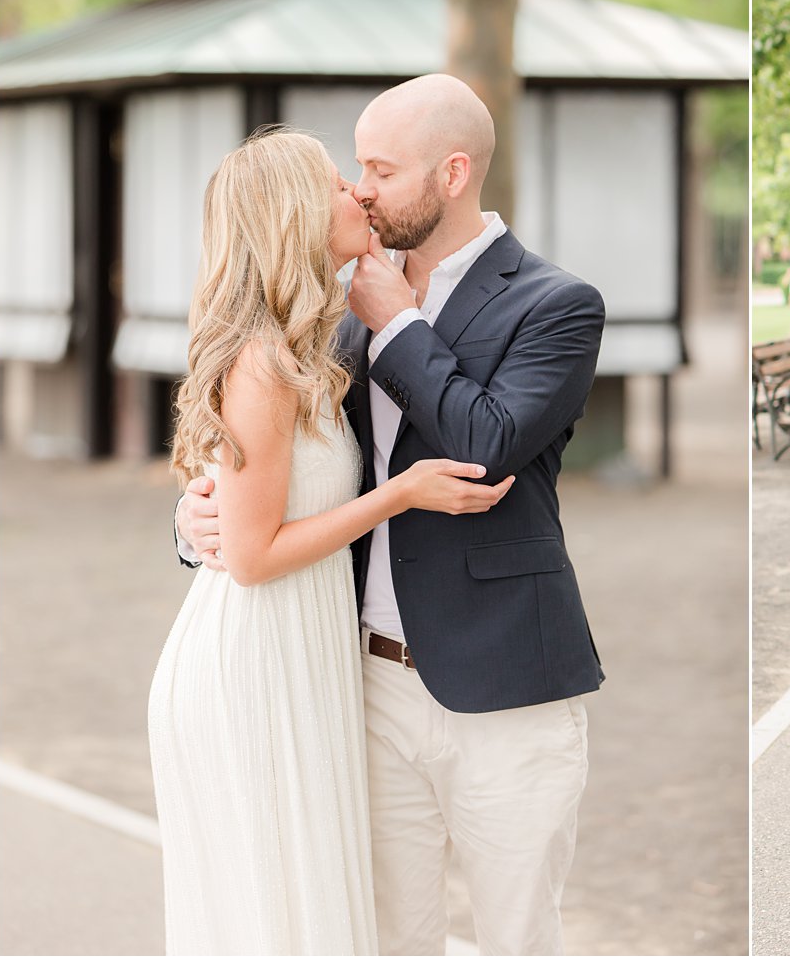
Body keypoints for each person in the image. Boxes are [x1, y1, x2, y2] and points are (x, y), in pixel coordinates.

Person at [177, 74, 607, 953]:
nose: (361, 187)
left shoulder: (556, 305)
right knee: (381, 937)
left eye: (379, 167)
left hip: (506, 687)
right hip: (357, 685)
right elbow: (280, 468)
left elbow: (484, 447)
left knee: (516, 936)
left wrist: (402, 324)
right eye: (354, 168)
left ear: (452, 173)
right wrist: (197, 523)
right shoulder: (328, 306)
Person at [152, 129, 515, 955]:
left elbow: (253, 504)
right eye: (334, 183)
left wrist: (199, 512)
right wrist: (400, 494)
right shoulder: (263, 362)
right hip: (255, 662)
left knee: (305, 909)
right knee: (276, 918)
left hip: (303, 652)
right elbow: (248, 554)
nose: (357, 191)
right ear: (292, 217)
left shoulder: (311, 347)